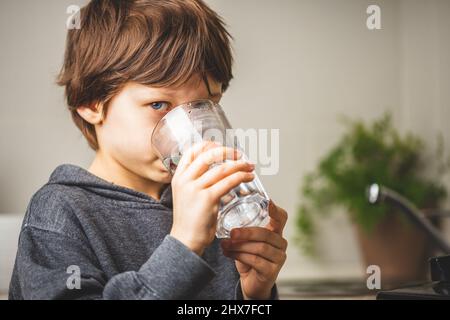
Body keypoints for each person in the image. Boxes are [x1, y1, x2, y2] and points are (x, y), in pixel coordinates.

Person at [9, 0, 288, 300]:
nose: (191, 134)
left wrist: (252, 295)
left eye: (205, 106)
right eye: (159, 105)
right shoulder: (59, 213)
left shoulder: (211, 204)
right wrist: (182, 246)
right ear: (91, 102)